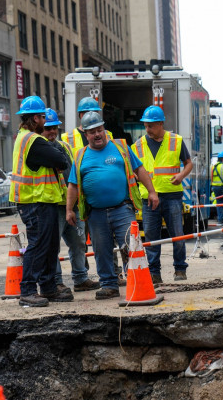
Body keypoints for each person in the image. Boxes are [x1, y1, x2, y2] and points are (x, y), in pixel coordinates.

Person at [67, 111, 159, 299]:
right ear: (86, 135)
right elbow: (73, 185)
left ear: (104, 129)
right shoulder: (80, 155)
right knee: (101, 251)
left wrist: (151, 191)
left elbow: (139, 169)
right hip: (96, 213)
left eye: (100, 130)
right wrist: (69, 209)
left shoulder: (121, 147)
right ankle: (109, 285)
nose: (97, 134)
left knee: (131, 246)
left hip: (122, 209)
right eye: (92, 132)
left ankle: (138, 281)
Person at [10, 96, 70, 307]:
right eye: (43, 117)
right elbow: (62, 160)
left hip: (42, 200)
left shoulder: (25, 138)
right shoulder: (33, 140)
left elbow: (59, 160)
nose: (45, 122)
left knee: (50, 245)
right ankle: (27, 290)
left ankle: (48, 287)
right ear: (35, 118)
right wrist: (57, 156)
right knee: (38, 246)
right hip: (36, 201)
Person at [131, 106, 192, 284]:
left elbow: (188, 163)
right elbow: (134, 170)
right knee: (151, 236)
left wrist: (181, 176)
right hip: (148, 198)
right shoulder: (138, 145)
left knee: (177, 234)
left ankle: (180, 269)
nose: (148, 129)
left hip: (171, 195)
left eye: (151, 126)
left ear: (160, 124)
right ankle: (154, 273)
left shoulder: (176, 141)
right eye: (145, 126)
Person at [42, 108, 99, 293]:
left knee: (78, 242)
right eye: (48, 128)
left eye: (54, 128)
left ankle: (80, 278)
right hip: (53, 205)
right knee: (53, 246)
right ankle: (56, 281)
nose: (52, 132)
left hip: (72, 205)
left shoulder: (65, 146)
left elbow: (74, 175)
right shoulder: (40, 148)